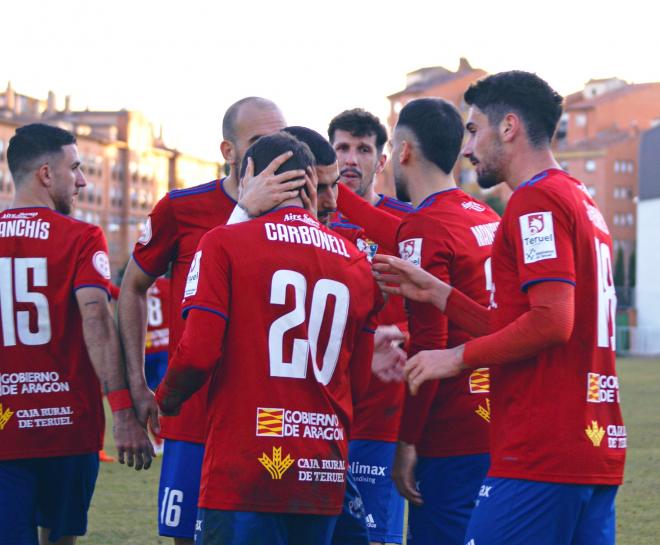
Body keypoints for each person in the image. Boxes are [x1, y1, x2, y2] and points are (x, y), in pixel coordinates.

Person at [374, 71, 626, 545]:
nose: (466, 148)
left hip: (543, 451)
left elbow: (552, 321)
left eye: (473, 130)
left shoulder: (536, 201)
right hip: (592, 446)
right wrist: (442, 295)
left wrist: (454, 357)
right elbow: (527, 326)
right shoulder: (579, 198)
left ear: (508, 127)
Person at [155, 131, 383, 545]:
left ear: (250, 178)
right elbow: (361, 380)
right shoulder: (354, 260)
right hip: (322, 465)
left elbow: (197, 354)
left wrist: (165, 401)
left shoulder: (223, 242)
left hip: (245, 467)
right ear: (311, 184)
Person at [118, 97, 303, 544]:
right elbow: (132, 287)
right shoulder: (182, 209)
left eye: (283, 139)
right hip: (194, 415)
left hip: (269, 419)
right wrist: (138, 382)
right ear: (229, 151)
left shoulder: (300, 212)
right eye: (259, 141)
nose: (276, 151)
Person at [0, 123, 152, 545]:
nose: (83, 180)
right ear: (47, 174)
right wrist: (121, 412)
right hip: (67, 424)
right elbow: (97, 319)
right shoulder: (82, 237)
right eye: (76, 168)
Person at [387, 97, 499, 545]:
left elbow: (429, 346)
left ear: (405, 151)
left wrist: (407, 439)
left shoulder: (424, 225)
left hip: (451, 428)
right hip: (497, 414)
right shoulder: (486, 215)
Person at [328, 109, 410, 545]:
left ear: (382, 160)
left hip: (383, 413)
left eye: (363, 149)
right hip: (323, 411)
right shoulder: (313, 224)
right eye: (342, 148)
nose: (350, 159)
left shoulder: (407, 223)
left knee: (376, 537)